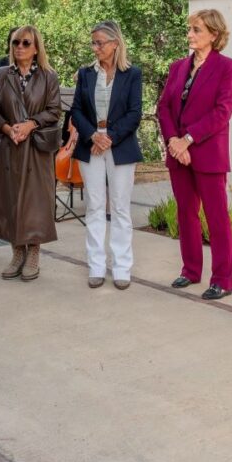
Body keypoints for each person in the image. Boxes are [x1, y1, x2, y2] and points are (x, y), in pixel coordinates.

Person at [157, 9, 232, 300]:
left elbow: (222, 112)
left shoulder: (228, 67)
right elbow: (164, 107)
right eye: (190, 29)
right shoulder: (177, 67)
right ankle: (190, 270)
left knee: (217, 218)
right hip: (178, 154)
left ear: (214, 35)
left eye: (197, 30)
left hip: (207, 153)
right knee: (186, 214)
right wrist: (174, 142)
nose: (190, 34)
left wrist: (188, 140)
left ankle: (222, 280)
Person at [0, 25, 61, 281]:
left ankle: (34, 253)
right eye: (16, 42)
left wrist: (30, 124)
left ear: (36, 47)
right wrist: (7, 128)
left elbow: (54, 110)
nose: (19, 47)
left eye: (26, 43)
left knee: (36, 202)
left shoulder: (49, 76)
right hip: (8, 147)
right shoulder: (1, 75)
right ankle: (17, 253)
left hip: (36, 149)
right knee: (10, 200)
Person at [70, 21, 143, 289]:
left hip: (119, 146)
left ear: (115, 44)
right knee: (94, 206)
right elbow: (76, 111)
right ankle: (97, 266)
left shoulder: (132, 74)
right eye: (93, 43)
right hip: (91, 146)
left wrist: (109, 137)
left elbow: (135, 112)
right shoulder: (85, 73)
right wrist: (94, 136)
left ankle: (122, 267)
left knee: (121, 208)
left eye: (100, 42)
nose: (95, 48)